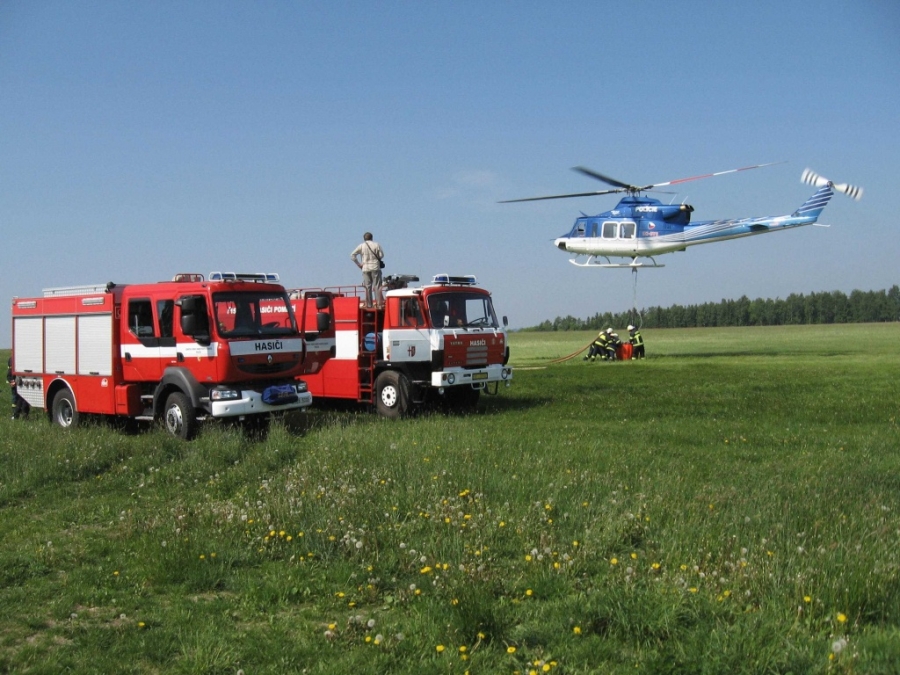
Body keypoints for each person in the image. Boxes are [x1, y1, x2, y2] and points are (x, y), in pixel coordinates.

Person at [350, 232, 385, 309]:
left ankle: (369, 304)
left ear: (364, 238)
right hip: (375, 267)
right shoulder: (376, 245)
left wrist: (359, 264)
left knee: (367, 287)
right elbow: (381, 255)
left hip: (365, 268)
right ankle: (379, 304)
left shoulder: (361, 246)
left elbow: (352, 255)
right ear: (372, 237)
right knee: (377, 286)